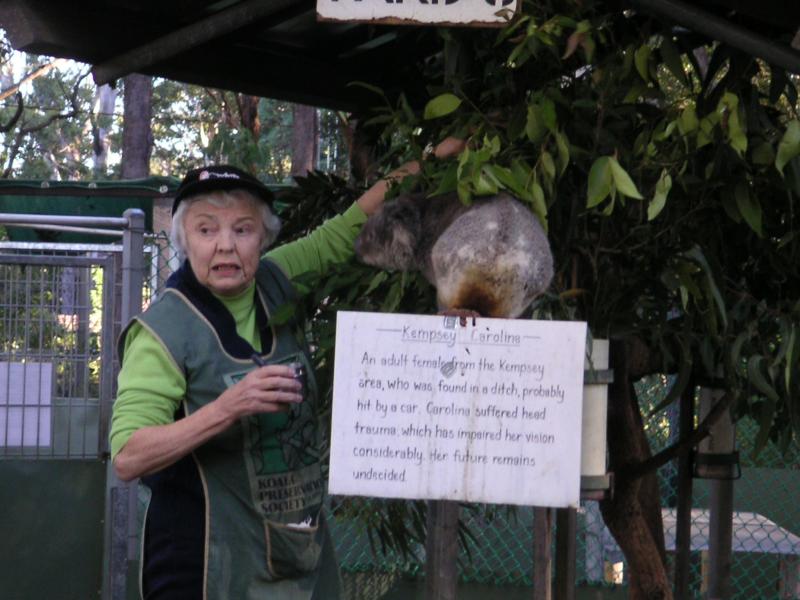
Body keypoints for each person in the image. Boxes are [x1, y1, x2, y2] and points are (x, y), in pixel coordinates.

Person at [109, 137, 465, 599]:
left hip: (295, 550)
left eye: (242, 229)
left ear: (263, 237)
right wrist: (227, 407)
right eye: (205, 230)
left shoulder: (275, 278)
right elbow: (128, 456)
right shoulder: (162, 332)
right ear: (183, 239)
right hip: (205, 567)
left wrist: (439, 155)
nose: (225, 246)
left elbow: (348, 227)